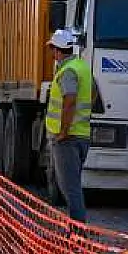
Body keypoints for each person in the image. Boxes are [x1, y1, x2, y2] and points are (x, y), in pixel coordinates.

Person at [45, 29, 92, 223]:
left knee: (70, 188)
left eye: (52, 50)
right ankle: (77, 231)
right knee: (72, 186)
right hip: (81, 135)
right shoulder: (81, 66)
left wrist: (63, 131)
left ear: (57, 50)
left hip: (68, 138)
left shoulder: (68, 71)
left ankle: (78, 234)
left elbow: (70, 101)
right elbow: (93, 94)